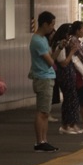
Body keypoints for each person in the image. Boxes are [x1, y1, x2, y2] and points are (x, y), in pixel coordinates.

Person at [29, 11, 59, 152]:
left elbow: (51, 59)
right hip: (43, 77)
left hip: (46, 76)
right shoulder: (38, 41)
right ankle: (40, 141)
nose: (53, 28)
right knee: (42, 111)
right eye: (52, 24)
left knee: (45, 112)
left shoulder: (43, 39)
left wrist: (59, 48)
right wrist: (58, 50)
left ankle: (44, 140)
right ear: (44, 24)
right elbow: (50, 62)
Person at [51, 24, 81, 135]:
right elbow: (63, 62)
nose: (69, 37)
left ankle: (71, 124)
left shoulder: (62, 43)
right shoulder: (60, 45)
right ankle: (66, 125)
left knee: (72, 98)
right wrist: (72, 52)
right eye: (68, 34)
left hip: (67, 74)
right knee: (69, 99)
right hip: (65, 74)